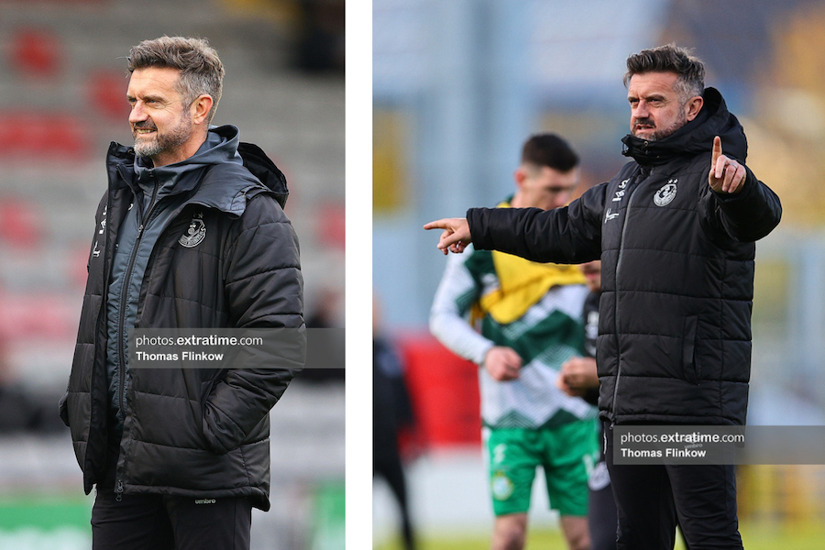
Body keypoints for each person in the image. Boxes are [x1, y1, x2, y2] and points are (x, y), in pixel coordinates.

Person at [425, 44, 782, 550]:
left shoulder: (716, 174)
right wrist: (478, 225)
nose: (640, 111)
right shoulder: (624, 186)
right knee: (636, 539)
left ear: (692, 108)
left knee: (710, 535)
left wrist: (739, 187)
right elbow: (555, 229)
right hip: (627, 403)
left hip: (694, 400)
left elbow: (760, 215)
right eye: (634, 100)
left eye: (655, 100)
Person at [58, 37, 303, 550]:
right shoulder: (118, 198)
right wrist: (85, 409)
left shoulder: (251, 213)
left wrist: (207, 431)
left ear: (200, 108)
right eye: (132, 100)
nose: (135, 115)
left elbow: (276, 343)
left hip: (206, 476)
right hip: (122, 470)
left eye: (153, 102)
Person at [429, 133, 598, 550]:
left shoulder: (583, 238)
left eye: (569, 190)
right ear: (521, 177)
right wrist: (486, 353)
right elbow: (442, 317)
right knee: (509, 536)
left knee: (586, 536)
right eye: (552, 190)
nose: (562, 201)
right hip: (510, 418)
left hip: (576, 414)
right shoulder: (483, 244)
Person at [557, 261, 617, 550]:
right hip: (615, 442)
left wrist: (601, 374)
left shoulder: (648, 299)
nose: (584, 264)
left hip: (681, 438)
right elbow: (601, 391)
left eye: (596, 251)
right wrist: (581, 386)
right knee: (603, 542)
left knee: (705, 537)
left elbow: (667, 370)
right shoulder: (592, 301)